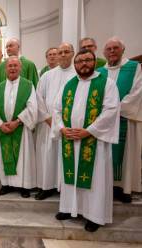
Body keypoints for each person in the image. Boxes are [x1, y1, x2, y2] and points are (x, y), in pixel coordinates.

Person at [52, 48, 120, 232]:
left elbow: (111, 111)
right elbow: (56, 109)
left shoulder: (106, 83)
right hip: (70, 140)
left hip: (93, 141)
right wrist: (61, 128)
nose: (83, 64)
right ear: (75, 64)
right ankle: (68, 208)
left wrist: (88, 131)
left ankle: (94, 215)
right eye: (79, 61)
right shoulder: (68, 84)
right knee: (70, 177)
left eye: (87, 60)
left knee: (95, 179)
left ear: (94, 61)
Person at [99, 37, 142, 203]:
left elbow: (137, 92)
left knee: (127, 154)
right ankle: (107, 186)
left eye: (115, 48)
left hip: (125, 118)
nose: (111, 51)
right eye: (108, 49)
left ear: (122, 50)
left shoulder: (134, 67)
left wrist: (114, 109)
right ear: (104, 53)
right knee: (106, 154)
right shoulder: (101, 72)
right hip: (105, 122)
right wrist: (106, 113)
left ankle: (125, 188)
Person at [0, 56, 37, 198]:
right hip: (3, 129)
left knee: (24, 158)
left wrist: (18, 121)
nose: (13, 68)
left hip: (21, 129)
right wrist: (0, 124)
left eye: (15, 66)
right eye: (10, 66)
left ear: (20, 68)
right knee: (3, 157)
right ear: (5, 69)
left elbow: (32, 107)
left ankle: (25, 186)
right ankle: (6, 184)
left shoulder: (28, 85)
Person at [35, 42, 76, 200]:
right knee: (48, 156)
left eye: (67, 51)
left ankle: (65, 187)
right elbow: (39, 98)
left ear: (73, 54)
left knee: (65, 156)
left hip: (69, 126)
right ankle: (46, 187)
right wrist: (47, 118)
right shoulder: (47, 75)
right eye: (60, 52)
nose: (63, 55)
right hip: (49, 124)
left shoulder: (77, 74)